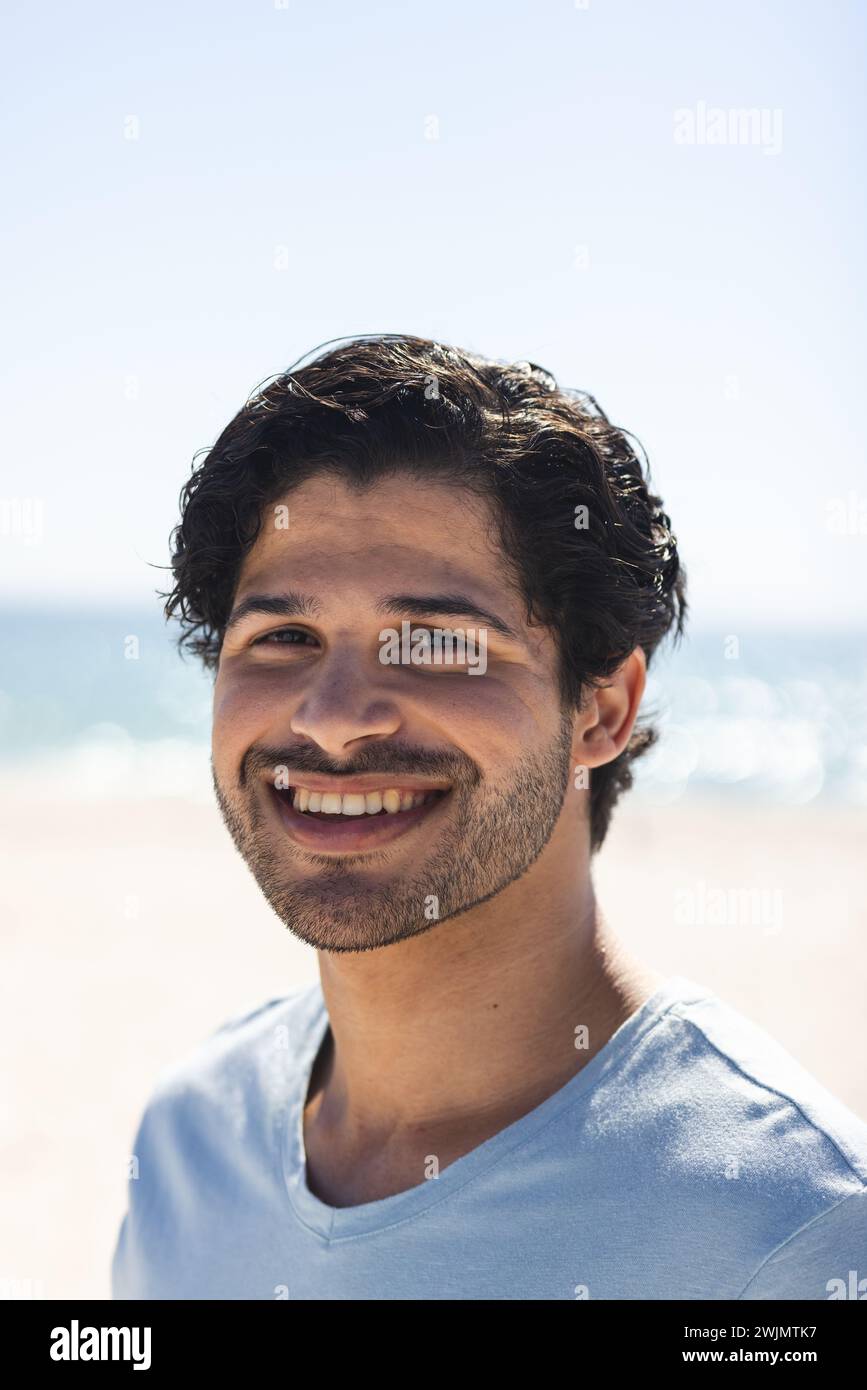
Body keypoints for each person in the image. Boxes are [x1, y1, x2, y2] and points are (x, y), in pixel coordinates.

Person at [111, 334, 867, 1299]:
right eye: (285, 636)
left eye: (434, 644)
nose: (334, 718)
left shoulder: (789, 1234)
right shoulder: (187, 1142)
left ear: (600, 709)